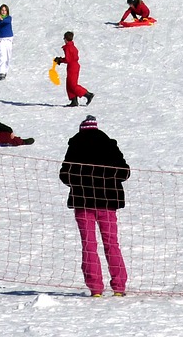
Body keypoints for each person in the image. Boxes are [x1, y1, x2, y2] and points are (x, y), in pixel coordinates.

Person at [59, 116, 128, 298]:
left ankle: (95, 288)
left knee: (88, 245)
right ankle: (119, 287)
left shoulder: (75, 146)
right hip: (107, 202)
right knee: (111, 243)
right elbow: (124, 172)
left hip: (82, 202)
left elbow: (64, 175)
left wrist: (80, 182)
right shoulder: (109, 145)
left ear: (82, 129)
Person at [54, 31, 93, 106]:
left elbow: (68, 59)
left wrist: (60, 60)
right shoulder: (72, 46)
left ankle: (88, 95)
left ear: (65, 39)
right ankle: (74, 101)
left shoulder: (67, 47)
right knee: (69, 84)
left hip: (72, 66)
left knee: (73, 85)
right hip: (74, 66)